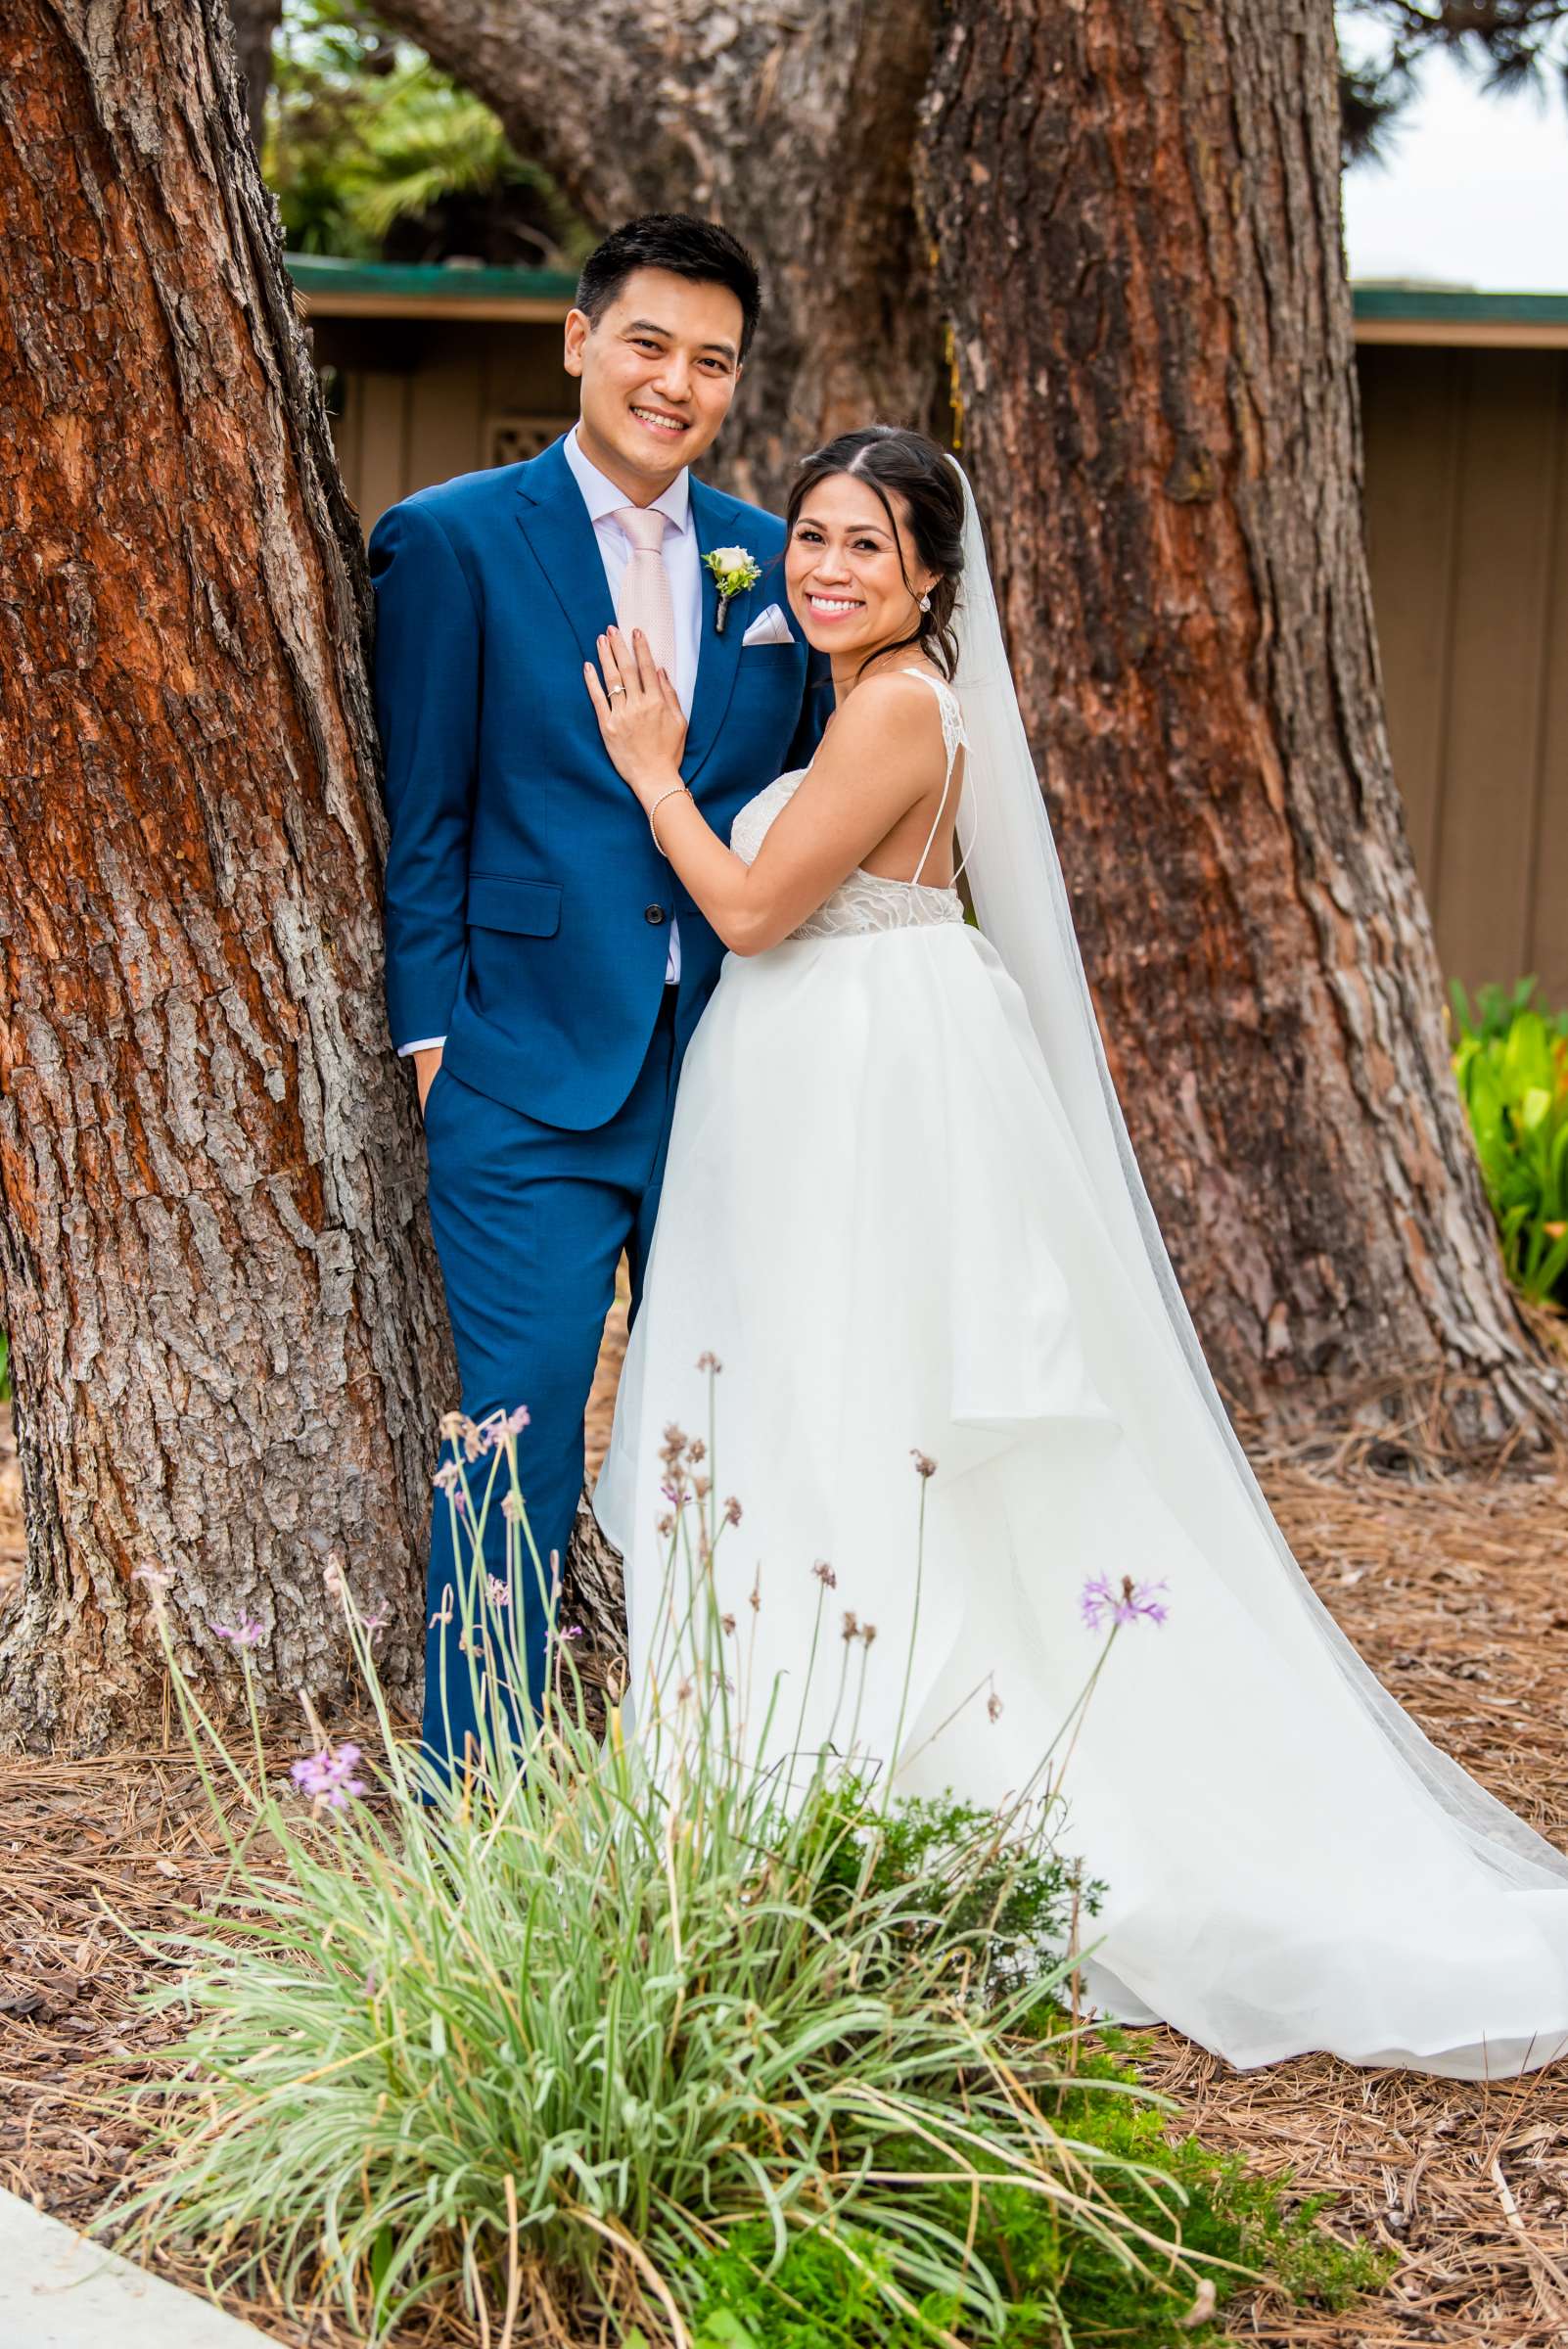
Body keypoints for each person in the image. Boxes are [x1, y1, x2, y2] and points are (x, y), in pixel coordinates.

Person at [589, 422, 1568, 2079]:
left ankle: (870, 1771)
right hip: (834, 1071)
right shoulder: (871, 700)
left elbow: (754, 913)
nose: (827, 568)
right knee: (819, 1388)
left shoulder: (899, 707)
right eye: (811, 536)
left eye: (864, 548)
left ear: (927, 580)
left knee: (846, 1395)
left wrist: (654, 771)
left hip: (856, 1083)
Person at [369, 215, 823, 1780]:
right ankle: (473, 1796)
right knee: (516, 1441)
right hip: (524, 1079)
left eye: (711, 362)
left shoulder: (782, 563)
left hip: (741, 1069)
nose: (674, 383)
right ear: (576, 340)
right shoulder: (451, 539)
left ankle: (734, 1779)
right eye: (647, 344)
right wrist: (434, 1041)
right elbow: (419, 812)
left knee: (748, 1434)